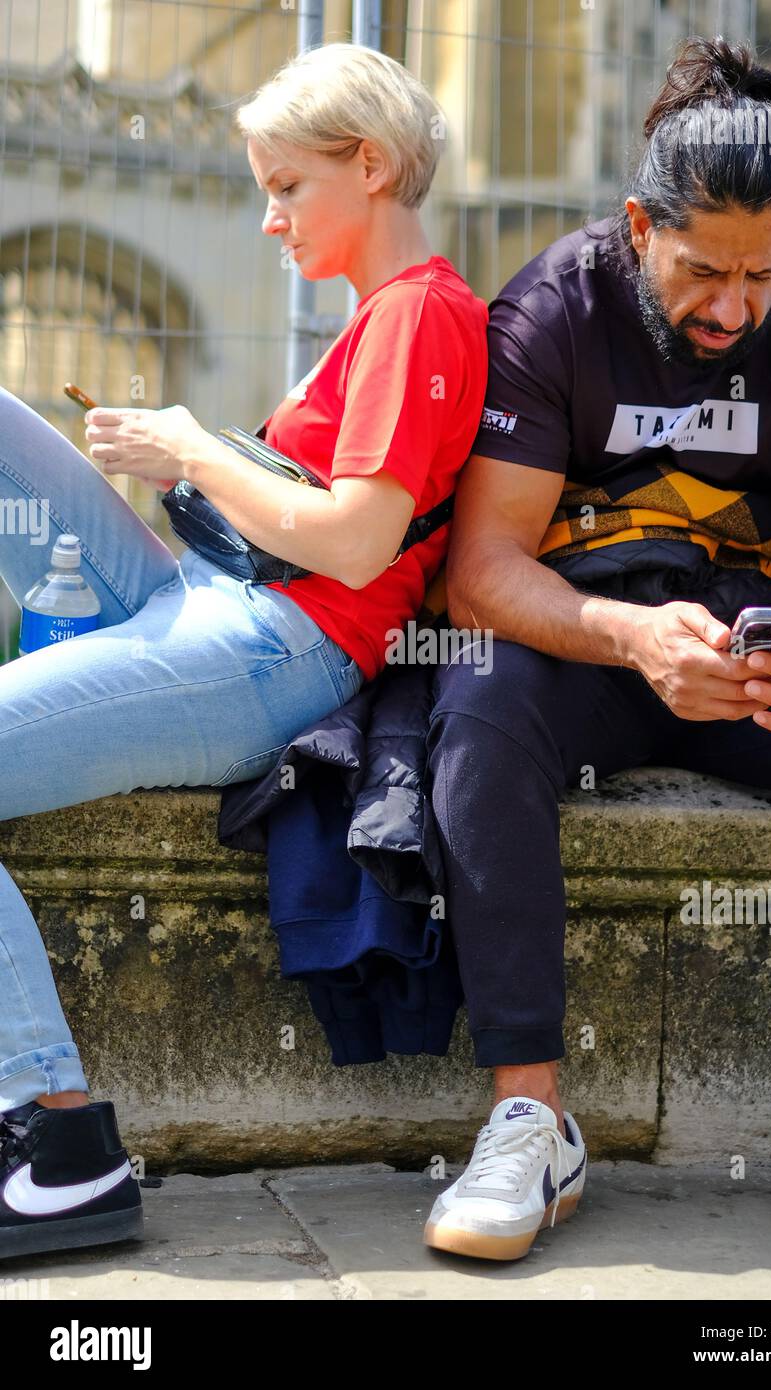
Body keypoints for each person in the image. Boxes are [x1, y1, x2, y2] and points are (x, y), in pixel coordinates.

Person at [0, 41, 488, 1261]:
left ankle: (59, 1140)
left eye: (285, 186)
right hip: (208, 599)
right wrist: (183, 458)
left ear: (367, 166)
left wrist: (192, 444)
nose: (267, 217)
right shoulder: (378, 316)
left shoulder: (421, 312)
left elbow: (362, 539)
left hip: (272, 649)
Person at [422, 35, 771, 1261]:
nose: (731, 309)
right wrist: (629, 636)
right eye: (700, 272)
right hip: (602, 658)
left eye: (759, 275)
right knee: (472, 693)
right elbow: (481, 571)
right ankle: (532, 1119)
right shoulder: (551, 308)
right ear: (637, 225)